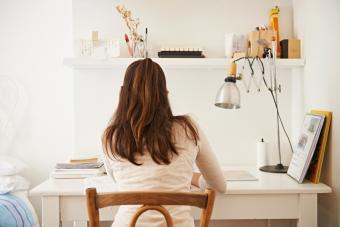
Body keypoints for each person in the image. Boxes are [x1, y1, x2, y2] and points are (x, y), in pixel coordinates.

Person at [102, 58, 226, 227]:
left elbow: (120, 181)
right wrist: (185, 177)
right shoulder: (188, 128)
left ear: (123, 94)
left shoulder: (111, 136)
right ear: (164, 93)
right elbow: (219, 186)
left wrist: (181, 176)